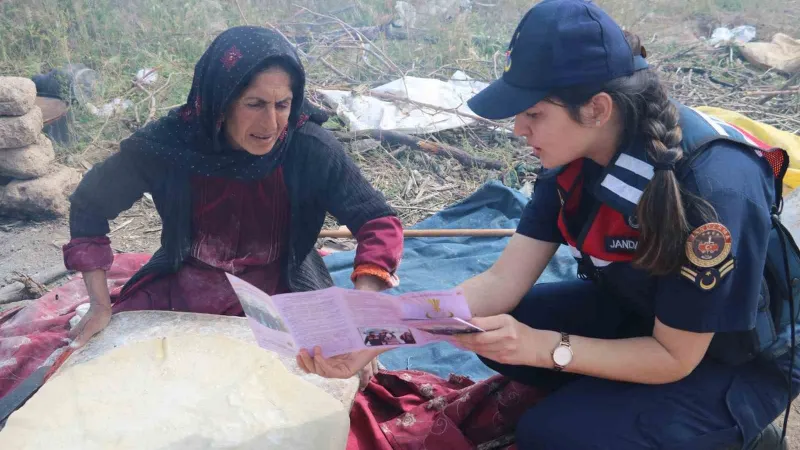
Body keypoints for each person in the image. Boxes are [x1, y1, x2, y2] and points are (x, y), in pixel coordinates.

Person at [297, 1, 800, 448]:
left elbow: (676, 357)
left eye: (533, 113)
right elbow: (499, 283)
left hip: (731, 358)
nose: (518, 130)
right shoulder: (573, 162)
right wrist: (379, 333)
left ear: (598, 109)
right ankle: (614, 403)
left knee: (553, 434)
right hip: (645, 312)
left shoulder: (714, 188)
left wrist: (548, 350)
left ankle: (738, 435)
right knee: (482, 332)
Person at [63, 26, 404, 388]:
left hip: (282, 287)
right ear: (220, 102)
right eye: (255, 104)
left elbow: (378, 222)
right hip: (185, 284)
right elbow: (89, 204)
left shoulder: (308, 148)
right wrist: (100, 305)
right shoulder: (171, 145)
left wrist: (363, 317)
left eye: (282, 105)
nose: (271, 124)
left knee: (329, 383)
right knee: (124, 380)